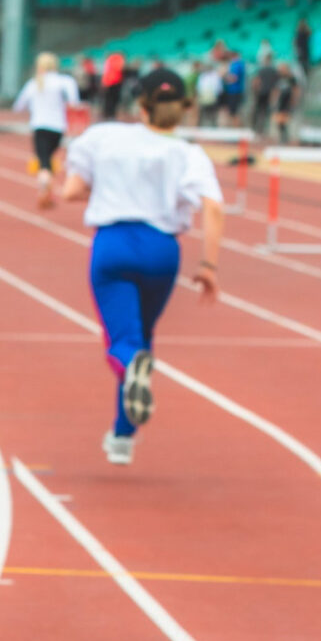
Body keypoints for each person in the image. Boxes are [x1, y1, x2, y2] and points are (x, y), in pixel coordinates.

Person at [60, 67, 226, 467]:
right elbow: (214, 208)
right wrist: (208, 265)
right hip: (161, 251)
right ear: (183, 108)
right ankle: (122, 436)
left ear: (141, 105)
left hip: (114, 244)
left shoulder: (105, 137)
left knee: (123, 341)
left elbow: (72, 191)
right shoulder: (189, 153)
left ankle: (130, 377)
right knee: (142, 337)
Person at [14, 51, 82, 210]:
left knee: (43, 162)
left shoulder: (33, 83)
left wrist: (34, 107)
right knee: (48, 160)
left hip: (39, 125)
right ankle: (48, 194)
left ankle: (43, 190)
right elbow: (74, 102)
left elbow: (18, 105)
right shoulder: (64, 81)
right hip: (58, 127)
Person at [251, 51, 279, 139]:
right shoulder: (274, 71)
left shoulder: (261, 69)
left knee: (258, 111)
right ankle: (263, 131)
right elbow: (275, 85)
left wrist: (256, 90)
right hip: (268, 93)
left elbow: (256, 81)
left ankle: (257, 130)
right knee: (265, 113)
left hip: (261, 93)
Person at [194, 59, 222, 127]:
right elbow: (199, 87)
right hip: (204, 97)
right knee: (202, 113)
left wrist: (216, 95)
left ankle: (214, 126)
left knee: (213, 114)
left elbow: (218, 88)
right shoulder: (202, 76)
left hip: (213, 97)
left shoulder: (215, 75)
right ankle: (200, 126)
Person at [100, 50, 125, 120]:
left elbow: (105, 72)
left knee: (108, 99)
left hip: (109, 82)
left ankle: (108, 114)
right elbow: (120, 68)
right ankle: (111, 114)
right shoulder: (118, 59)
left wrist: (104, 82)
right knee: (113, 100)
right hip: (115, 82)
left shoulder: (109, 60)